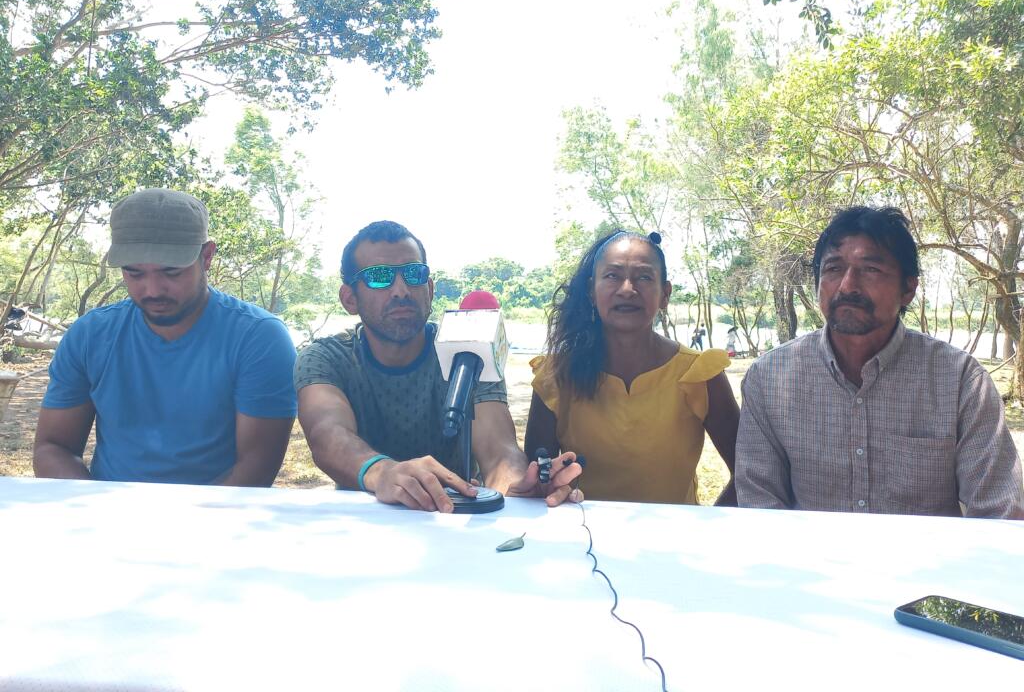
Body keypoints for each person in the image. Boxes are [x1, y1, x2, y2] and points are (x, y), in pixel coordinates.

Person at [736, 206, 1024, 518]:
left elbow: (999, 512)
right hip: (808, 551)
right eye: (833, 268)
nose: (847, 285)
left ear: (908, 289)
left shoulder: (959, 381)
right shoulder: (770, 378)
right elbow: (759, 507)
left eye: (870, 269)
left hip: (928, 552)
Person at [294, 220, 582, 513]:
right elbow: (327, 436)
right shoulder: (326, 357)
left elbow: (498, 450)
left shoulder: (471, 351)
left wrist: (518, 486)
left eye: (414, 274)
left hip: (454, 520)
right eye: (379, 277)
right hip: (365, 522)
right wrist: (382, 472)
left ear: (430, 288)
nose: (401, 290)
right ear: (349, 299)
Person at [34, 188, 297, 485]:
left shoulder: (259, 338)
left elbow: (256, 467)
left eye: (171, 272)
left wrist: (184, 515)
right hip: (106, 507)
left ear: (207, 256)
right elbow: (52, 447)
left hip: (220, 509)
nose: (153, 290)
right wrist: (100, 505)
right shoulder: (89, 335)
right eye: (134, 273)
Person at [525, 231, 740, 505]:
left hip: (675, 532)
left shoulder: (699, 374)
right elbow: (536, 480)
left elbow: (749, 473)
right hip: (581, 530)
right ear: (591, 291)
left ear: (665, 294)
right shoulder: (556, 376)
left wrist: (704, 524)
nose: (627, 289)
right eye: (612, 276)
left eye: (644, 277)